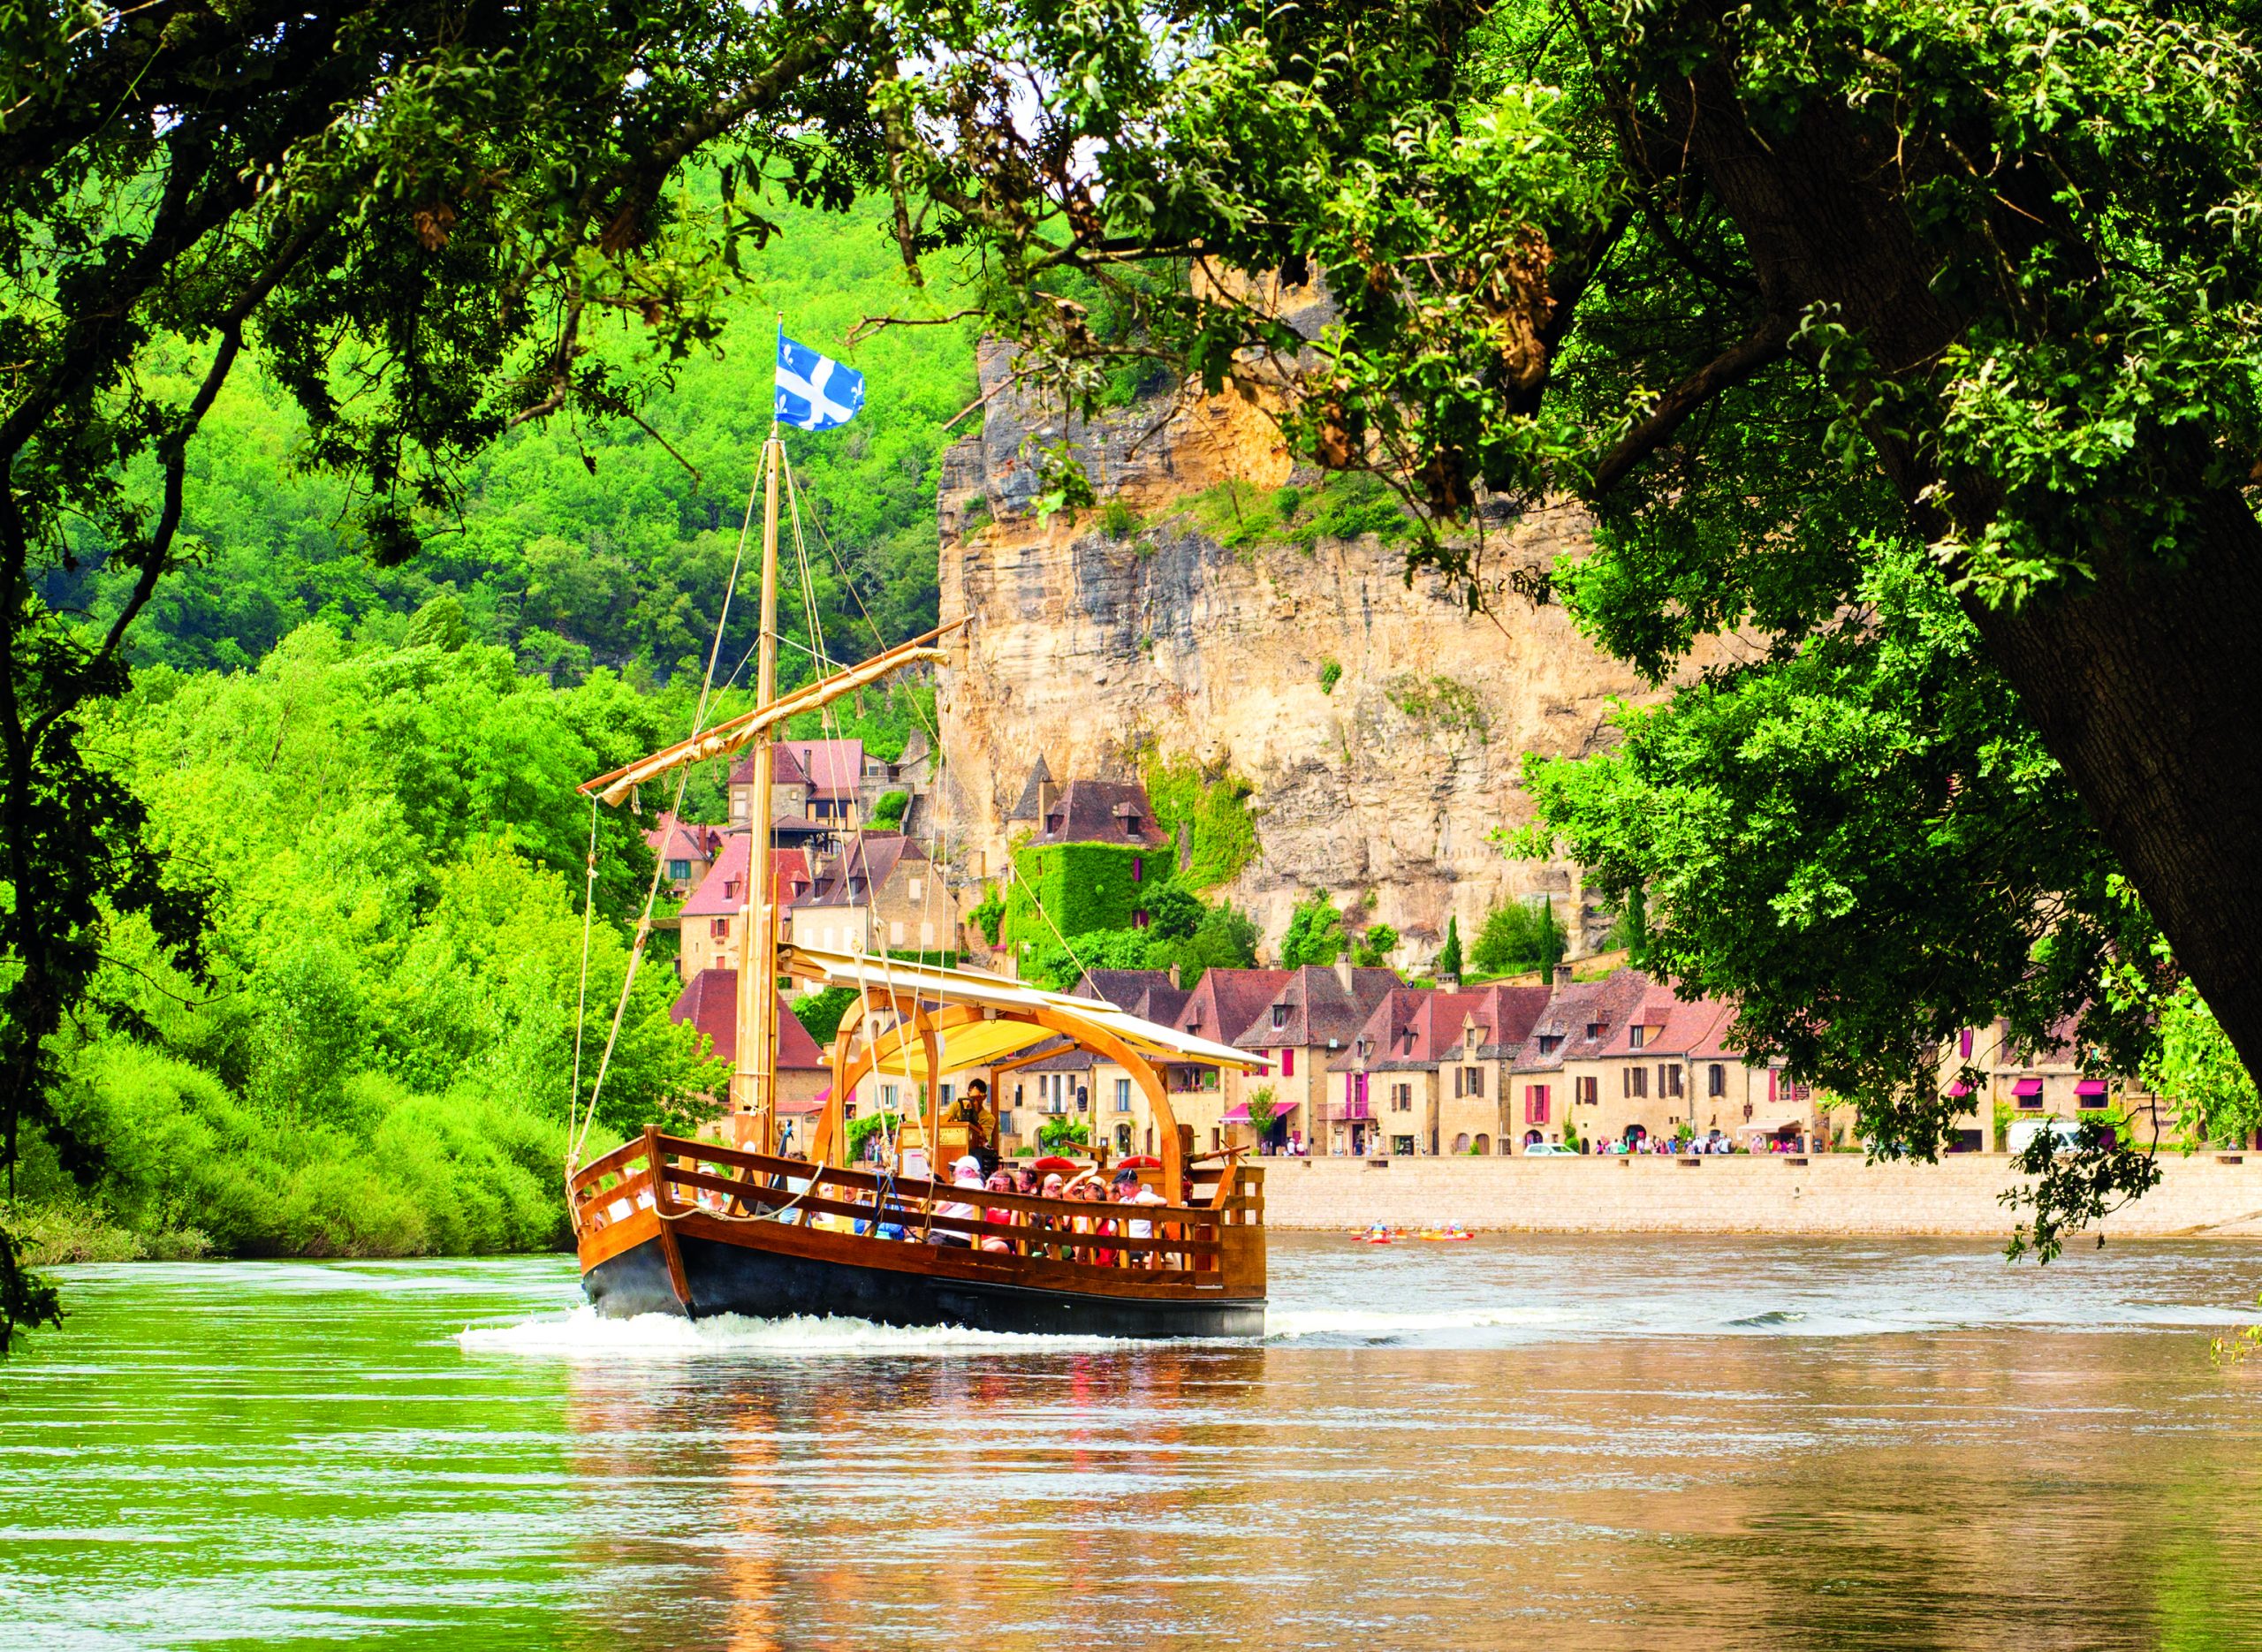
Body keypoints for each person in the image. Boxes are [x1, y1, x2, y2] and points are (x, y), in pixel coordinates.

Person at [929, 1153, 983, 1247]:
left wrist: (942, 1196)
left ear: (968, 1172)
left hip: (947, 1235)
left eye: (956, 1171)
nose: (954, 1173)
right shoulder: (980, 1187)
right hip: (963, 1238)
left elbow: (940, 1209)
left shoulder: (963, 1184)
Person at [980, 1171, 1016, 1253]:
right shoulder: (988, 1203)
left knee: (989, 1249)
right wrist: (987, 1188)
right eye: (998, 1185)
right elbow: (978, 1204)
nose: (1001, 1188)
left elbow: (1011, 1232)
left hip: (1003, 1241)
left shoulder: (1014, 1205)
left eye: (1005, 1185)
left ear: (1010, 1186)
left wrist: (989, 1241)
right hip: (984, 1239)